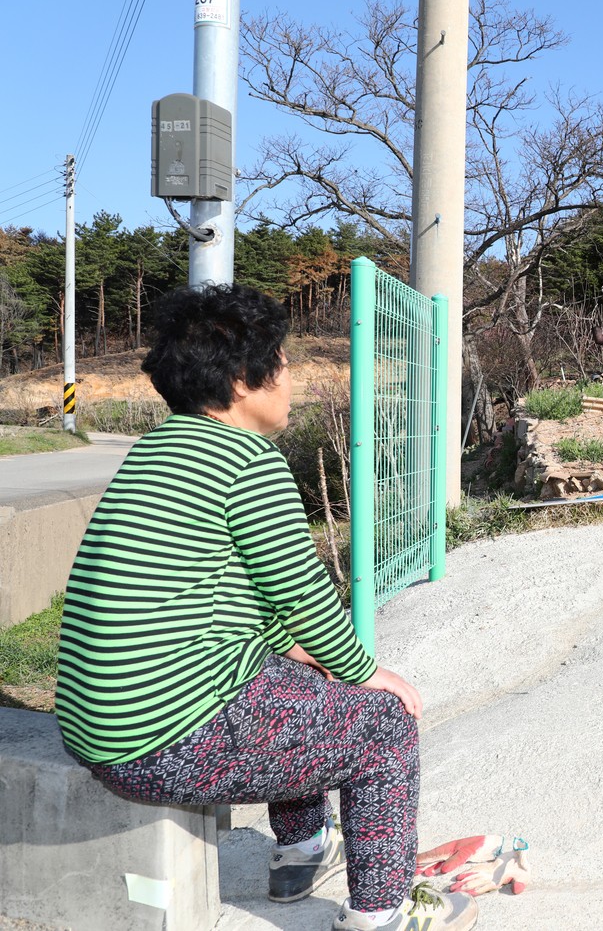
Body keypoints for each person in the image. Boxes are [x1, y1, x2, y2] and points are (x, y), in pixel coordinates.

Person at [54, 284, 478, 931]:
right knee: (384, 726)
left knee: (296, 681)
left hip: (94, 728)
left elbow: (247, 598)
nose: (288, 376)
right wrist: (365, 670)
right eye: (279, 361)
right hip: (160, 739)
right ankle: (383, 912)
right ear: (243, 379)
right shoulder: (249, 460)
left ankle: (301, 850)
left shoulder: (156, 451)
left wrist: (312, 658)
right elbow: (302, 590)